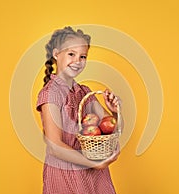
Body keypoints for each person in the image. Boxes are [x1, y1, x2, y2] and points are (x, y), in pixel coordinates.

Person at [36, 26, 122, 194]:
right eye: (71, 54)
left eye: (83, 56)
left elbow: (111, 130)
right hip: (66, 174)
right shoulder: (51, 94)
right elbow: (55, 145)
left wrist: (115, 112)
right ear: (56, 54)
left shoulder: (84, 92)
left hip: (94, 175)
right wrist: (94, 163)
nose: (77, 61)